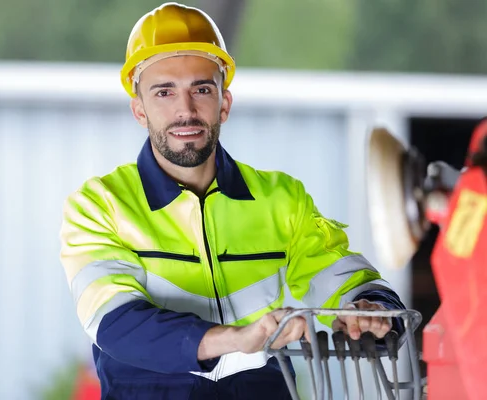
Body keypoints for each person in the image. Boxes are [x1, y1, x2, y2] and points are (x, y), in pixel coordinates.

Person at [59, 3, 405, 399]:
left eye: (201, 89)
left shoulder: (280, 198)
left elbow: (343, 275)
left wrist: (370, 309)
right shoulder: (99, 206)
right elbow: (116, 324)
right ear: (140, 110)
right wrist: (235, 338)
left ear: (224, 102)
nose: (185, 110)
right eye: (164, 92)